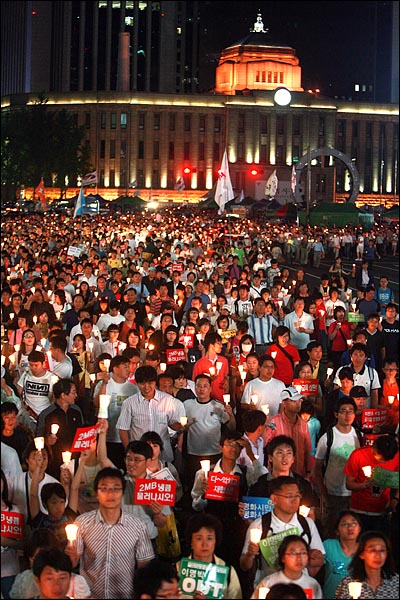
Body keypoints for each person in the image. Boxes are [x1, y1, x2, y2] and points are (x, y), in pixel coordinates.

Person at [65, 467, 154, 599]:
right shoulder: (82, 523)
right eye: (104, 488)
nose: (110, 494)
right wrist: (70, 555)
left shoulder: (138, 526)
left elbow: (145, 568)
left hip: (124, 596)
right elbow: (72, 563)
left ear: (122, 493)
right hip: (90, 596)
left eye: (116, 488)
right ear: (96, 493)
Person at [240, 476, 325, 586]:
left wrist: (312, 556)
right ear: (274, 499)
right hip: (269, 587)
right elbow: (244, 565)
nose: (295, 500)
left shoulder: (307, 524)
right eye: (289, 496)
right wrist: (250, 554)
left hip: (300, 587)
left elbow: (319, 560)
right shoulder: (260, 526)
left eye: (297, 496)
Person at [314, 397, 363, 538]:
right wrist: (323, 493)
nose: (347, 415)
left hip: (354, 493)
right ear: (336, 414)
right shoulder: (328, 437)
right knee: (331, 531)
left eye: (351, 411)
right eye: (343, 411)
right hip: (333, 494)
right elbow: (317, 467)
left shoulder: (358, 436)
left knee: (352, 533)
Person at [117, 365, 184, 464]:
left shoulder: (167, 400)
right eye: (142, 383)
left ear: (155, 383)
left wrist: (181, 426)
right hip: (139, 453)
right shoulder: (129, 403)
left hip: (162, 452)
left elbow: (171, 423)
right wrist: (129, 450)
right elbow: (123, 428)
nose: (147, 387)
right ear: (137, 384)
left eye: (150, 383)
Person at [177, 513, 242, 599]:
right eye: (199, 538)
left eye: (209, 538)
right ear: (191, 542)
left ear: (216, 541)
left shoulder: (228, 571)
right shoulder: (177, 569)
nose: (205, 544)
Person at [344, 434, 399, 535]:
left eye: (386, 460)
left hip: (382, 511)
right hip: (359, 511)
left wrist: (395, 499)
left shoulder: (396, 457)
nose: (382, 462)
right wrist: (364, 485)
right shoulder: (358, 455)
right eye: (380, 458)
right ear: (374, 448)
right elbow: (349, 484)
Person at [36, 379, 84, 480]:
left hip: (75, 459)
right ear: (63, 395)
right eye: (73, 392)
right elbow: (38, 439)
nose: (76, 395)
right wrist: (47, 441)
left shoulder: (77, 411)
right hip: (54, 462)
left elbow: (82, 432)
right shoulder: (47, 414)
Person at [251, 535, 323, 599]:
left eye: (303, 553)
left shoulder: (313, 584)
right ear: (283, 557)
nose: (299, 558)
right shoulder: (268, 582)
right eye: (293, 553)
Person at [264, 387, 313, 479]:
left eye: (299, 401)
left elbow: (308, 449)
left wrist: (309, 470)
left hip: (299, 473)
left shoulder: (303, 424)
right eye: (293, 401)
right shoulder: (273, 422)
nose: (298, 404)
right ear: (284, 403)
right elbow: (264, 444)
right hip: (277, 474)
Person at [335, 531, 399, 598]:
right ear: (362, 554)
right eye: (373, 550)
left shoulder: (395, 582)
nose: (378, 556)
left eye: (382, 550)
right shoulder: (348, 583)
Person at [322, 510, 362, 600]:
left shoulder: (364, 550)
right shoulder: (328, 545)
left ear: (359, 529)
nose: (350, 528)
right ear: (337, 531)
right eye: (345, 524)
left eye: (354, 524)